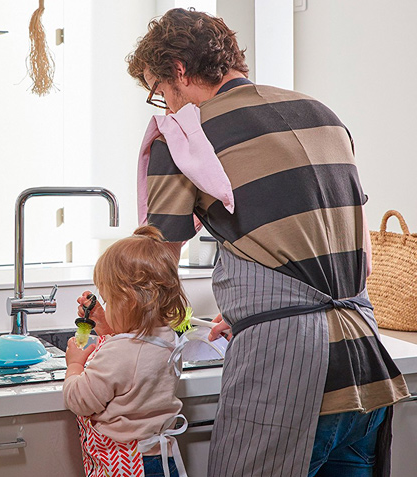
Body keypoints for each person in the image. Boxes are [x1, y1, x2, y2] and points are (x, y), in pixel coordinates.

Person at [126, 8, 409, 477]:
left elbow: (153, 269)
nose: (165, 106)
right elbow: (361, 256)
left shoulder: (182, 137)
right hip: (365, 367)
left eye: (158, 91)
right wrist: (256, 310)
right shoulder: (322, 115)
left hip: (287, 380)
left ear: (178, 71)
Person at [63, 225, 189, 477]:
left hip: (126, 465)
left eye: (108, 301)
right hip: (159, 460)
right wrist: (107, 323)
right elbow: (135, 359)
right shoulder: (166, 337)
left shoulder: (121, 351)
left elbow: (81, 400)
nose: (106, 305)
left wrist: (74, 365)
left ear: (128, 303)